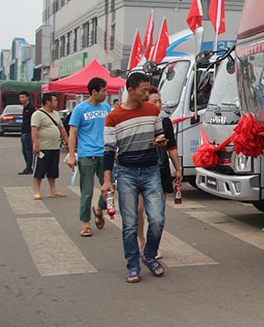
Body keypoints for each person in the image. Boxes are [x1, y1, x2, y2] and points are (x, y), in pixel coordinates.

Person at [101, 72, 181, 283]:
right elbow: (109, 150)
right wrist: (107, 179)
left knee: (157, 219)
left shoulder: (153, 110)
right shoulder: (113, 117)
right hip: (126, 173)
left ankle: (149, 255)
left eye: (149, 90)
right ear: (130, 90)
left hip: (151, 170)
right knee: (129, 223)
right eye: (143, 90)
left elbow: (159, 135)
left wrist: (160, 140)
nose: (147, 94)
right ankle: (132, 265)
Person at [136, 87, 180, 259]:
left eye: (160, 101)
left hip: (160, 169)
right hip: (140, 168)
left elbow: (172, 147)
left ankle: (154, 245)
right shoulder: (139, 121)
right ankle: (141, 240)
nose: (158, 104)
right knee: (139, 208)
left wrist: (178, 168)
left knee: (158, 212)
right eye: (154, 101)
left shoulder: (165, 122)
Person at [66, 77, 111, 237]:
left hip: (105, 154)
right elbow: (72, 133)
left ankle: (99, 208)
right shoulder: (80, 109)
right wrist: (72, 156)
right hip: (86, 155)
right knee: (86, 192)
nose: (106, 93)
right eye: (104, 90)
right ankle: (85, 224)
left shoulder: (106, 107)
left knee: (109, 188)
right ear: (94, 92)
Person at [31, 93, 70, 199]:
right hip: (43, 148)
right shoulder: (38, 114)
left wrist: (67, 141)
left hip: (55, 147)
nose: (57, 103)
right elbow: (34, 130)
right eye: (55, 101)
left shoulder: (56, 114)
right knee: (39, 170)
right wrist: (36, 145)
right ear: (48, 102)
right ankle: (37, 191)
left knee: (53, 170)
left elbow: (62, 129)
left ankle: (53, 190)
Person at [19, 92, 37, 175]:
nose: (21, 99)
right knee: (24, 151)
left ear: (28, 98)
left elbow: (34, 122)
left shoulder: (31, 108)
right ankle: (28, 166)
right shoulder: (24, 107)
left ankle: (29, 167)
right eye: (20, 98)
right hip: (23, 132)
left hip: (29, 133)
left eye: (23, 97)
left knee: (29, 151)